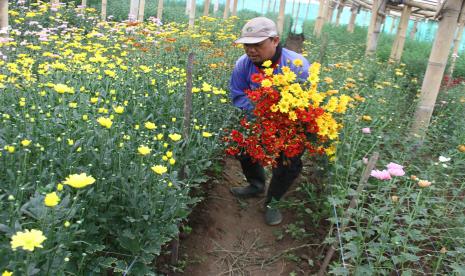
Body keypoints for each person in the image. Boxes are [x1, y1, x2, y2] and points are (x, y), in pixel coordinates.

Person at [229, 17, 310, 226]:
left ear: (275, 40)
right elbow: (238, 96)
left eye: (257, 44)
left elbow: (308, 104)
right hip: (257, 118)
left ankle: (273, 202)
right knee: (243, 148)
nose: (251, 50)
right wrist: (262, 108)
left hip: (290, 122)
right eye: (247, 45)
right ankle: (256, 185)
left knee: (289, 162)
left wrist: (282, 117)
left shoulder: (297, 65)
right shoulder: (242, 65)